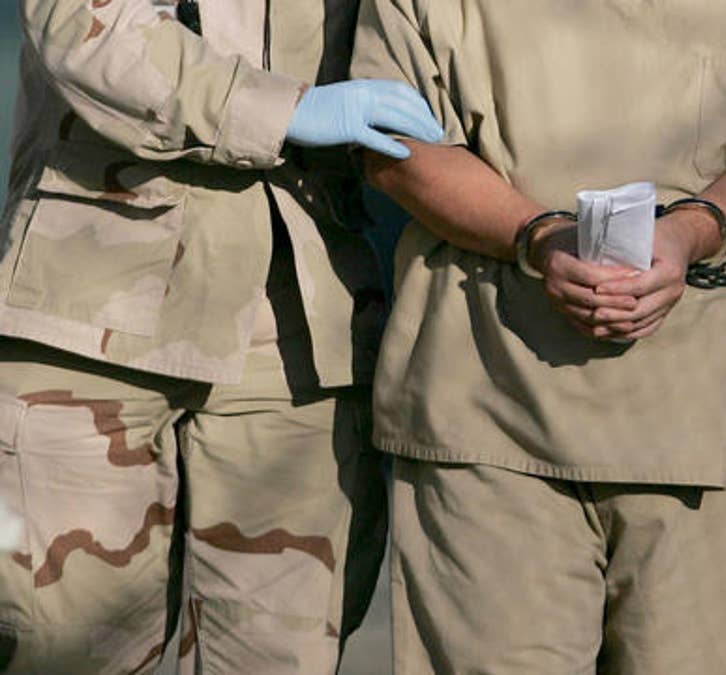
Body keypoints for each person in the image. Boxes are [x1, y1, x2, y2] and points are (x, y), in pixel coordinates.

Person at [351, 1, 726, 672]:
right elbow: (391, 141)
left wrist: (692, 230)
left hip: (711, 408)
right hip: (492, 404)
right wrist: (538, 236)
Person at [0, 1, 442, 672]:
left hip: (300, 324)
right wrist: (280, 110)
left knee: (280, 657)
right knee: (65, 652)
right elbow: (79, 24)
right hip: (90, 317)